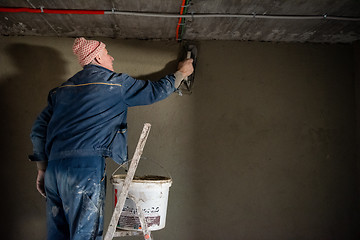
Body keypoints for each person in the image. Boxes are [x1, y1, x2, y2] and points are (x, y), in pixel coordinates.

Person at [29, 37, 194, 240]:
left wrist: (42, 168)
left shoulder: (60, 91)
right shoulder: (115, 83)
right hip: (84, 169)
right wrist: (181, 73)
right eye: (107, 53)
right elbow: (154, 91)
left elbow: (38, 129)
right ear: (97, 57)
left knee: (57, 235)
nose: (111, 57)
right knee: (85, 235)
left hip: (54, 170)